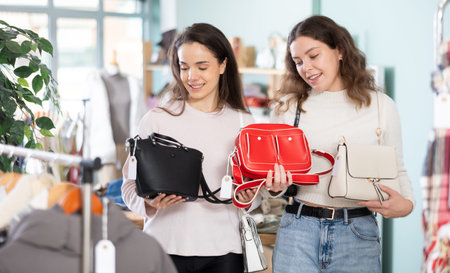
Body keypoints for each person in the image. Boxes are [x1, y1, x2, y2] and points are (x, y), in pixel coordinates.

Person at [265, 15, 415, 273]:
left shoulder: (381, 107)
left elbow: (397, 169)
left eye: (314, 56)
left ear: (340, 51)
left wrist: (406, 206)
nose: (306, 68)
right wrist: (275, 188)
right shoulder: (288, 109)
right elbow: (273, 183)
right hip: (298, 230)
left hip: (358, 233)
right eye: (298, 61)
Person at [121, 23, 257, 273]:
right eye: (184, 67)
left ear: (223, 65)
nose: (191, 77)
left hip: (225, 253)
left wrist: (249, 197)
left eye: (202, 67)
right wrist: (150, 205)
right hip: (164, 248)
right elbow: (129, 186)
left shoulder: (243, 122)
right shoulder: (156, 119)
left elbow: (251, 191)